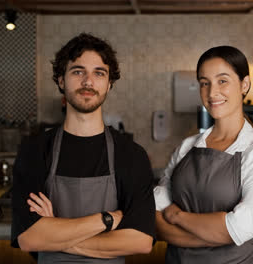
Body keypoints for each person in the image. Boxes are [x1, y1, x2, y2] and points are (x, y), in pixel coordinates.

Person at [11, 33, 155, 263]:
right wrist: (106, 220)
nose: (88, 81)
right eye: (78, 72)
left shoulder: (130, 155)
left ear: (109, 84)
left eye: (99, 73)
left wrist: (53, 234)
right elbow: (29, 238)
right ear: (61, 80)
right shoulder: (35, 151)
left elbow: (140, 241)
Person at [153, 46, 253, 264]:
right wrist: (216, 232)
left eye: (222, 81)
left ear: (245, 84)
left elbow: (238, 228)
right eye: (204, 83)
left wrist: (178, 216)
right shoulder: (186, 147)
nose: (212, 92)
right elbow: (154, 215)